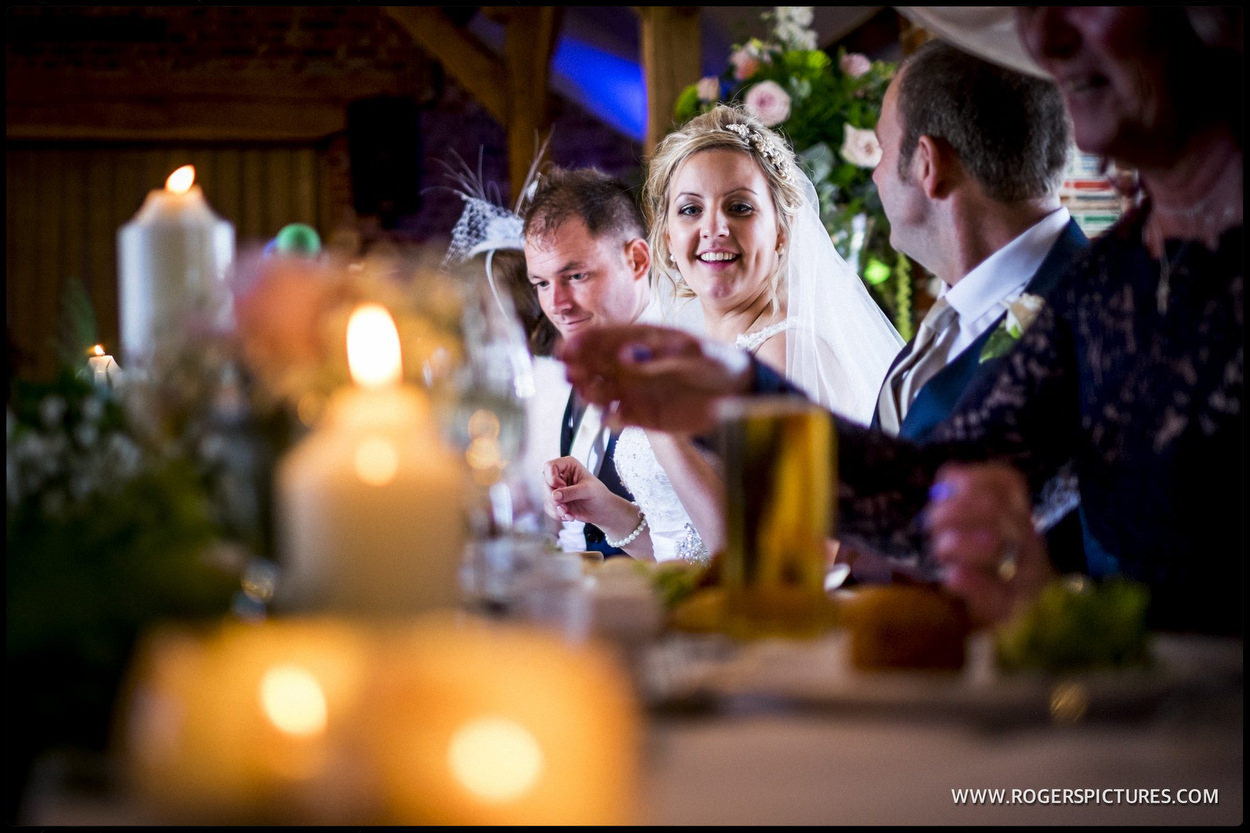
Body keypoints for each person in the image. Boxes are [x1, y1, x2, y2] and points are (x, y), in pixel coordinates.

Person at [557, 9, 1243, 636]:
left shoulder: (1086, 280)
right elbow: (930, 492)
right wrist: (732, 392)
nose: (1046, 39)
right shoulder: (1111, 275)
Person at [546, 104, 903, 565]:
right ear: (669, 239)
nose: (713, 228)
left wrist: (662, 424)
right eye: (691, 209)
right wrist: (611, 513)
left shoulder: (787, 354)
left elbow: (797, 563)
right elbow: (687, 547)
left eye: (739, 207)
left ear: (780, 232)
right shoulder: (695, 349)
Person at [865, 39, 1090, 576]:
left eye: (879, 152)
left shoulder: (1091, 308)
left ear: (927, 164)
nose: (873, 178)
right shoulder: (949, 315)